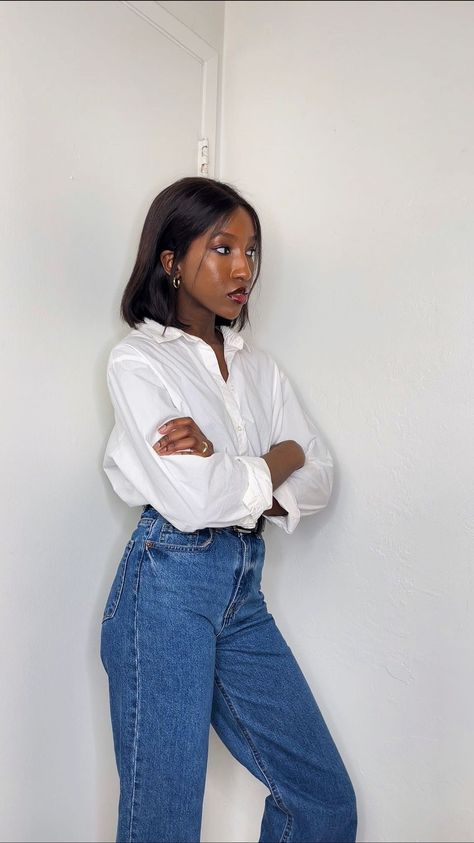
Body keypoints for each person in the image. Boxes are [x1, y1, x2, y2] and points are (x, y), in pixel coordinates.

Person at [100, 176, 358, 843]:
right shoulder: (138, 362)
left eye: (251, 251)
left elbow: (321, 474)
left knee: (322, 802)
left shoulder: (261, 372)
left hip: (242, 592)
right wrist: (278, 459)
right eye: (222, 248)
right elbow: (193, 499)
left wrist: (232, 462)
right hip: (165, 589)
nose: (243, 267)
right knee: (164, 823)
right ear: (171, 260)